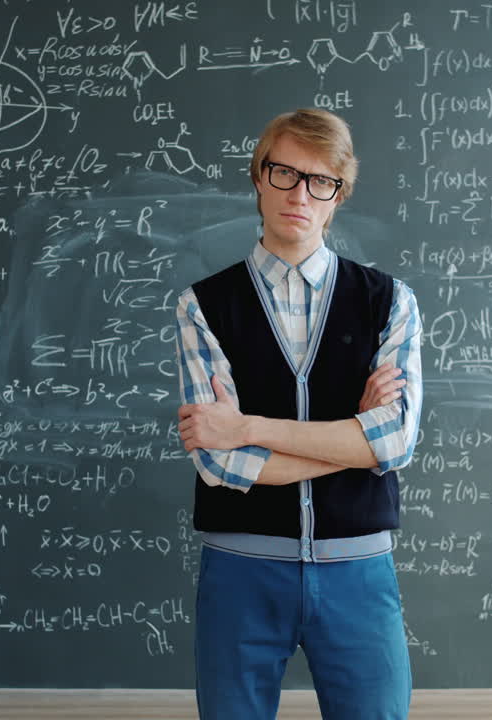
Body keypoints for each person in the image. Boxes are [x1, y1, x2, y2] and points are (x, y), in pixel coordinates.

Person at [174, 107, 423, 720]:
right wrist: (350, 444)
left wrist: (250, 428)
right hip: (241, 569)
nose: (300, 194)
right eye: (285, 173)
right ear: (259, 177)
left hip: (358, 570)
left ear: (338, 196)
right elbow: (219, 460)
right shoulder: (203, 306)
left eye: (321, 181)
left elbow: (393, 444)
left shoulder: (389, 302)